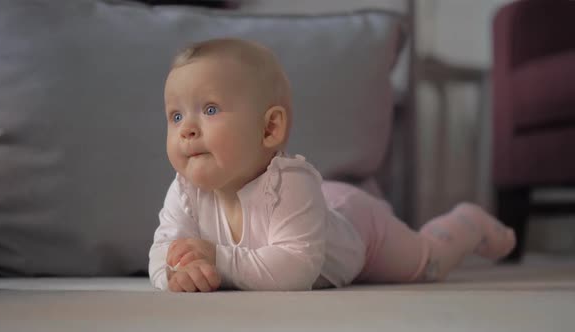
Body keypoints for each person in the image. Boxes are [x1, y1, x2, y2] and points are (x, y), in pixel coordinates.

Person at [148, 38, 516, 292]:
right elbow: (161, 252)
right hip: (324, 205)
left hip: (359, 229)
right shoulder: (185, 189)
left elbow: (295, 270)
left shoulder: (289, 184)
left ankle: (469, 223)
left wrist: (216, 261)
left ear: (270, 128)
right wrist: (177, 273)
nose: (187, 130)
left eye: (210, 109)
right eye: (175, 116)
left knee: (427, 264)